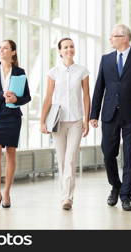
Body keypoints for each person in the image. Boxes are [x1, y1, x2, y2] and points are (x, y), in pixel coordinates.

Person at [90, 24, 131, 212]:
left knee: (129, 156)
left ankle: (126, 196)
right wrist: (94, 114)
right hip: (109, 113)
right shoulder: (106, 59)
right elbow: (99, 87)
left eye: (114, 36)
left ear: (125, 38)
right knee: (108, 152)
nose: (111, 39)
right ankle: (115, 185)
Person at [0, 39, 31, 209]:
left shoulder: (20, 72)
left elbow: (27, 97)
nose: (1, 50)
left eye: (5, 48)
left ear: (13, 52)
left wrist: (16, 99)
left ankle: (7, 191)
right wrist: (0, 94)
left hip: (12, 116)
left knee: (10, 153)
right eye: (0, 47)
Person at [40, 38, 90, 210]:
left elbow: (86, 97)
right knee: (61, 160)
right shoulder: (53, 72)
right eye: (66, 47)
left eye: (72, 46)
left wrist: (86, 119)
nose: (69, 49)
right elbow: (48, 97)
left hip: (76, 120)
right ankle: (64, 194)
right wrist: (42, 121)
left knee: (70, 159)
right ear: (60, 51)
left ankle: (67, 198)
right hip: (57, 121)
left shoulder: (82, 71)